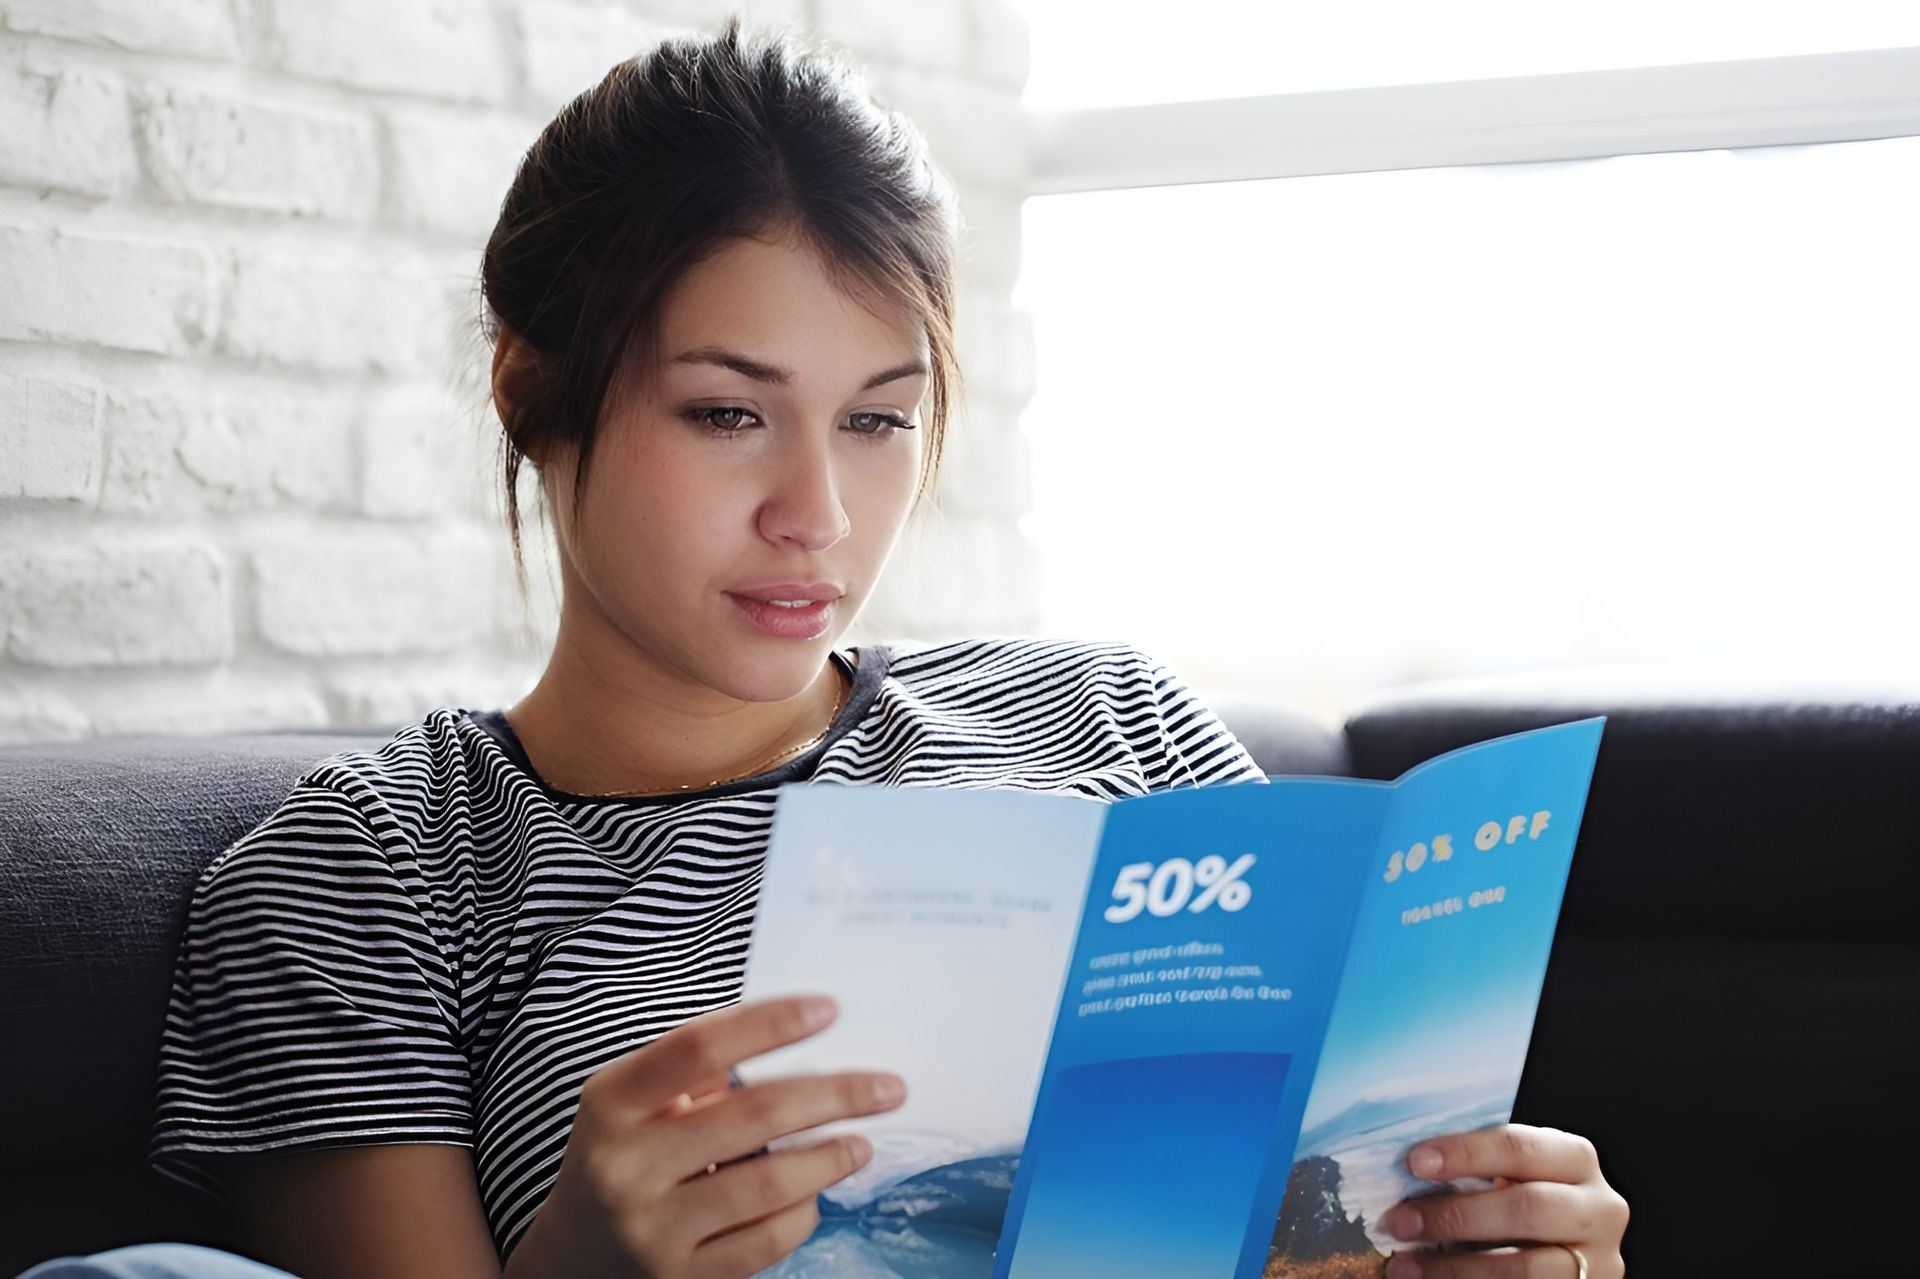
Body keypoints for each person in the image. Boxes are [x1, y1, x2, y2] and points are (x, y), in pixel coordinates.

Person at [20, 23, 1627, 1279]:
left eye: (877, 422)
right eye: (729, 415)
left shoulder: (1101, 712)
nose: (819, 515)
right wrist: (587, 1266)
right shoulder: (366, 877)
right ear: (532, 393)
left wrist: (1487, 1239)